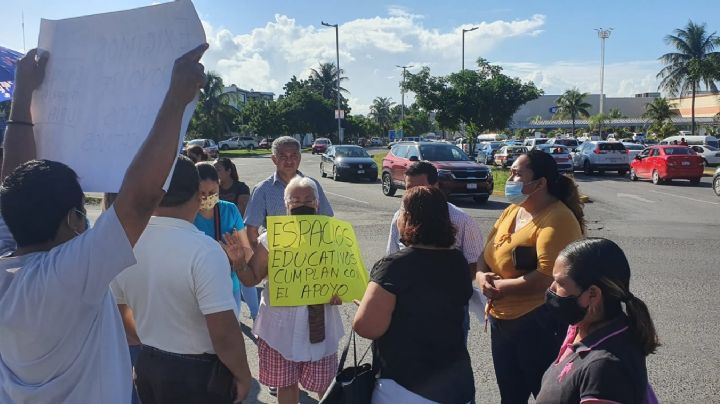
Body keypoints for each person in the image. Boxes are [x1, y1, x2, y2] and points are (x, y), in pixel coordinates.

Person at [0, 44, 209, 403]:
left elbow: (12, 180)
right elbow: (140, 200)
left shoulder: (8, 260)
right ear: (73, 219)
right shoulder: (67, 274)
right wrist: (176, 99)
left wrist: (23, 97)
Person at [110, 156, 252, 404]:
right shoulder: (205, 250)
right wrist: (243, 375)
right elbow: (224, 333)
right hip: (197, 374)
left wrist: (155, 342)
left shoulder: (124, 245)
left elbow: (122, 316)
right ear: (198, 197)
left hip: (148, 365)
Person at [477, 149, 585, 404]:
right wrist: (481, 276)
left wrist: (498, 286)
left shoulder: (556, 219)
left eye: (516, 174)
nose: (510, 179)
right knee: (511, 396)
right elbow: (487, 249)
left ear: (540, 183)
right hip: (502, 319)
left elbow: (548, 278)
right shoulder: (514, 210)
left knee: (547, 395)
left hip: (538, 321)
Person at [354, 186, 475, 404]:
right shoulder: (458, 261)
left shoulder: (394, 266)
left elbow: (367, 327)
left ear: (408, 218)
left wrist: (367, 306)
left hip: (406, 386)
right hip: (457, 384)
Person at [237, 176, 344, 404]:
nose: (302, 203)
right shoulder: (271, 239)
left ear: (317, 203)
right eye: (295, 199)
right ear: (286, 205)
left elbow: (346, 280)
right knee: (285, 385)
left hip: (320, 327)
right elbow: (251, 279)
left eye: (308, 198)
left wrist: (340, 293)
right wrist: (238, 263)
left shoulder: (334, 238)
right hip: (279, 329)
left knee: (325, 387)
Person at [537, 238, 659, 404]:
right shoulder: (579, 328)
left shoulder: (604, 368)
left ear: (593, 294)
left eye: (560, 283)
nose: (551, 288)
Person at [386, 161, 483, 340]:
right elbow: (391, 258)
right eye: (408, 188)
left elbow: (475, 264)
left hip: (449, 308)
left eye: (420, 187)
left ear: (436, 186)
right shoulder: (399, 217)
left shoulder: (462, 221)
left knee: (450, 361)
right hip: (407, 308)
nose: (412, 194)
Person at [194, 162, 258, 320]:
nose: (207, 198)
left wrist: (238, 255)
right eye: (202, 193)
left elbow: (248, 252)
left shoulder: (230, 209)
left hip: (230, 284)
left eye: (212, 192)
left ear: (219, 186)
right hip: (197, 287)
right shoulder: (186, 212)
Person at [244, 136, 333, 247]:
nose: (289, 161)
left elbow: (327, 220)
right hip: (277, 255)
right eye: (283, 157)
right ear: (274, 159)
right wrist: (263, 257)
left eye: (294, 156)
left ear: (299, 158)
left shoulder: (312, 185)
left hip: (311, 253)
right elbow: (251, 230)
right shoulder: (262, 190)